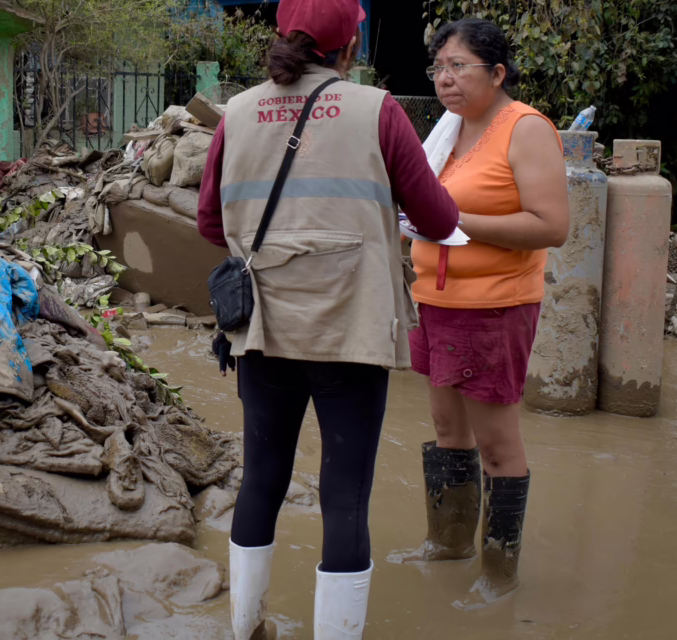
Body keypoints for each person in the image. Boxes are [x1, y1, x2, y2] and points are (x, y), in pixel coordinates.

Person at [196, 0, 459, 636]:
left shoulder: (235, 113)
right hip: (352, 328)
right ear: (351, 48)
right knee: (345, 496)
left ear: (285, 35)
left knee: (260, 480)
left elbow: (209, 223)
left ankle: (246, 627)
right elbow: (440, 221)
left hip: (262, 328)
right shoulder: (378, 110)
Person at [389, 18, 569, 610]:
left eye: (458, 66)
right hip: (435, 302)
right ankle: (448, 543)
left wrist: (453, 221)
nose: (445, 78)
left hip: (494, 308)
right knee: (447, 431)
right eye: (438, 67)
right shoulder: (448, 131)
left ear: (497, 72)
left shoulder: (525, 128)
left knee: (497, 446)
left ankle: (499, 571)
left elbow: (552, 227)